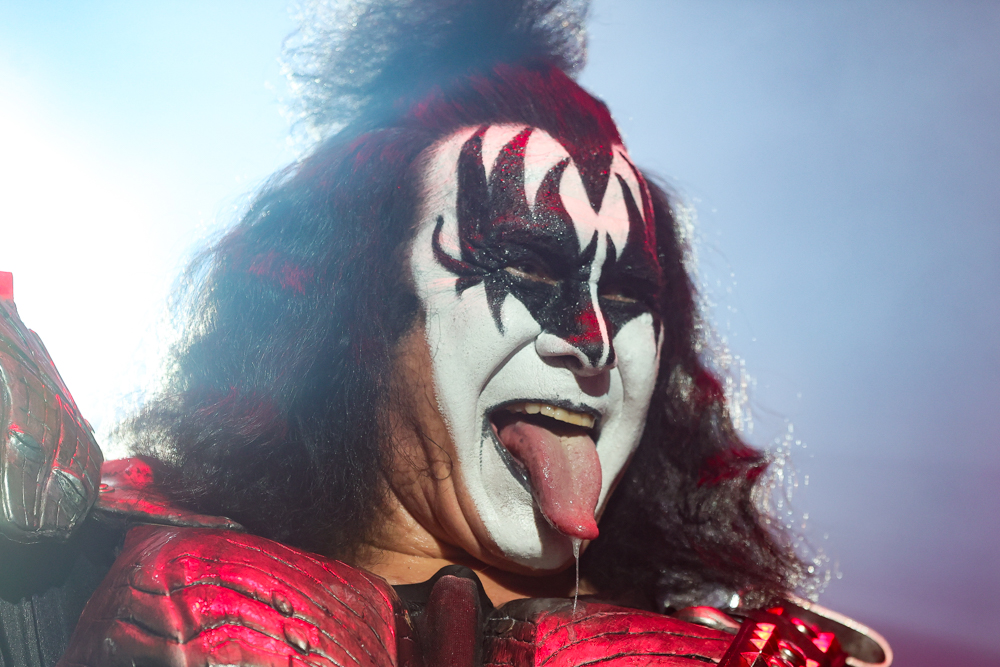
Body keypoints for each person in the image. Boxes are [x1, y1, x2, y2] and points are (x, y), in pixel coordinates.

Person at [0, 1, 891, 665]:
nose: (591, 339)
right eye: (527, 269)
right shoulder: (74, 557)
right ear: (357, 311)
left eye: (626, 292)